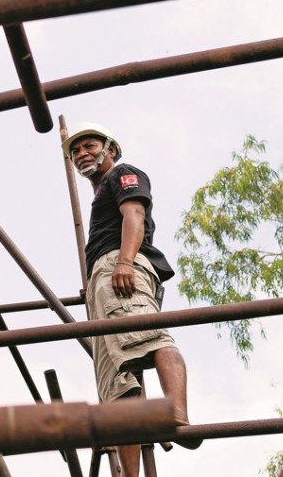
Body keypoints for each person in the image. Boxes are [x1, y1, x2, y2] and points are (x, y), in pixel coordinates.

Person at [62, 123, 201, 473]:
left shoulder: (124, 174)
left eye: (88, 146)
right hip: (103, 276)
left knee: (150, 336)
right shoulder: (101, 192)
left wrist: (123, 262)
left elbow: (134, 215)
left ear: (110, 150)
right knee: (117, 383)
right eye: (75, 151)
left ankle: (176, 415)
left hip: (120, 265)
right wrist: (94, 284)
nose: (81, 154)